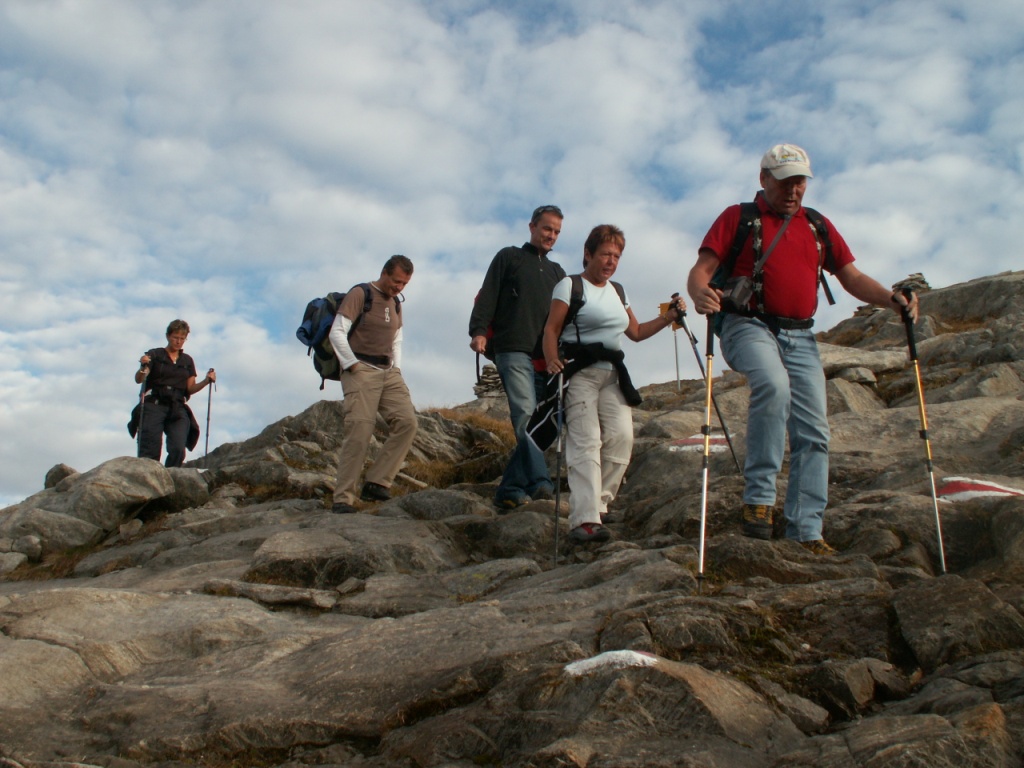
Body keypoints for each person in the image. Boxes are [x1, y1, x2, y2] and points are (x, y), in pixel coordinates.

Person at [687, 143, 918, 555]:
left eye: (800, 182)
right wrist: (700, 293)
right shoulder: (739, 217)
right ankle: (759, 501)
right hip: (747, 325)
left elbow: (851, 276)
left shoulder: (817, 225)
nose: (793, 190)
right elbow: (701, 271)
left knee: (814, 429)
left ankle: (806, 530)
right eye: (785, 181)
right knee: (774, 386)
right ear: (763, 179)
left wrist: (892, 300)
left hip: (801, 335)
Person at [543, 224, 685, 543]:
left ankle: (599, 504)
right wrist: (552, 359)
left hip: (612, 373)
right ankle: (584, 519)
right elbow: (551, 329)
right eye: (605, 254)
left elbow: (635, 332)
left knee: (622, 437)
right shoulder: (570, 286)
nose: (611, 261)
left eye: (617, 256)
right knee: (586, 440)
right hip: (579, 372)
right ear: (588, 253)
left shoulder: (618, 291)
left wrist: (670, 316)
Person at [469, 205, 567, 509]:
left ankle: (510, 488)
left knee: (543, 423)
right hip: (511, 348)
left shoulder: (558, 273)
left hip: (546, 359)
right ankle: (541, 482)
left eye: (557, 231)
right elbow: (487, 295)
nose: (551, 235)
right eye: (547, 228)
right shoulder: (509, 257)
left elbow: (564, 318)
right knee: (525, 415)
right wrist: (478, 331)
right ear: (532, 227)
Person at [329, 255, 418, 514]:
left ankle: (377, 482)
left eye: (404, 284)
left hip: (389, 372)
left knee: (407, 423)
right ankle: (343, 498)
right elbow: (337, 331)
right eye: (396, 281)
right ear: (384, 273)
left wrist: (396, 369)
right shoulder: (361, 294)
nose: (399, 287)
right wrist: (352, 365)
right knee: (359, 432)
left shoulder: (397, 303)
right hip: (361, 369)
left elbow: (397, 339)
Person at [134, 319, 216, 467]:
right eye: (175, 337)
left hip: (177, 406)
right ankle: (150, 476)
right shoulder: (155, 354)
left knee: (178, 448)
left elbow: (190, 388)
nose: (178, 341)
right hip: (154, 404)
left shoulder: (187, 361)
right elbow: (139, 379)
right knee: (150, 448)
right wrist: (142, 367)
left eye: (182, 338)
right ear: (168, 336)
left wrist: (206, 381)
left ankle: (171, 475)